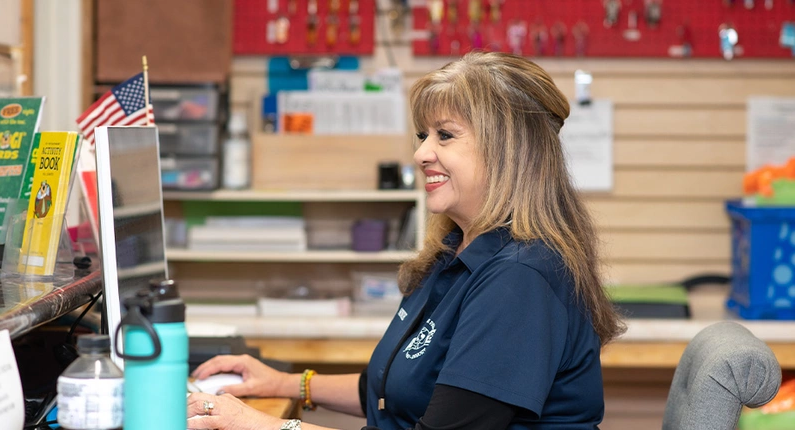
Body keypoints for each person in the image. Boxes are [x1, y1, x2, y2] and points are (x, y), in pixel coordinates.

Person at [186, 52, 626, 430]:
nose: (420, 154)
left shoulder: (518, 278)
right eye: (423, 135)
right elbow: (399, 389)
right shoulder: (458, 256)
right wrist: (286, 385)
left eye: (445, 135)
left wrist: (263, 423)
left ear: (509, 149)